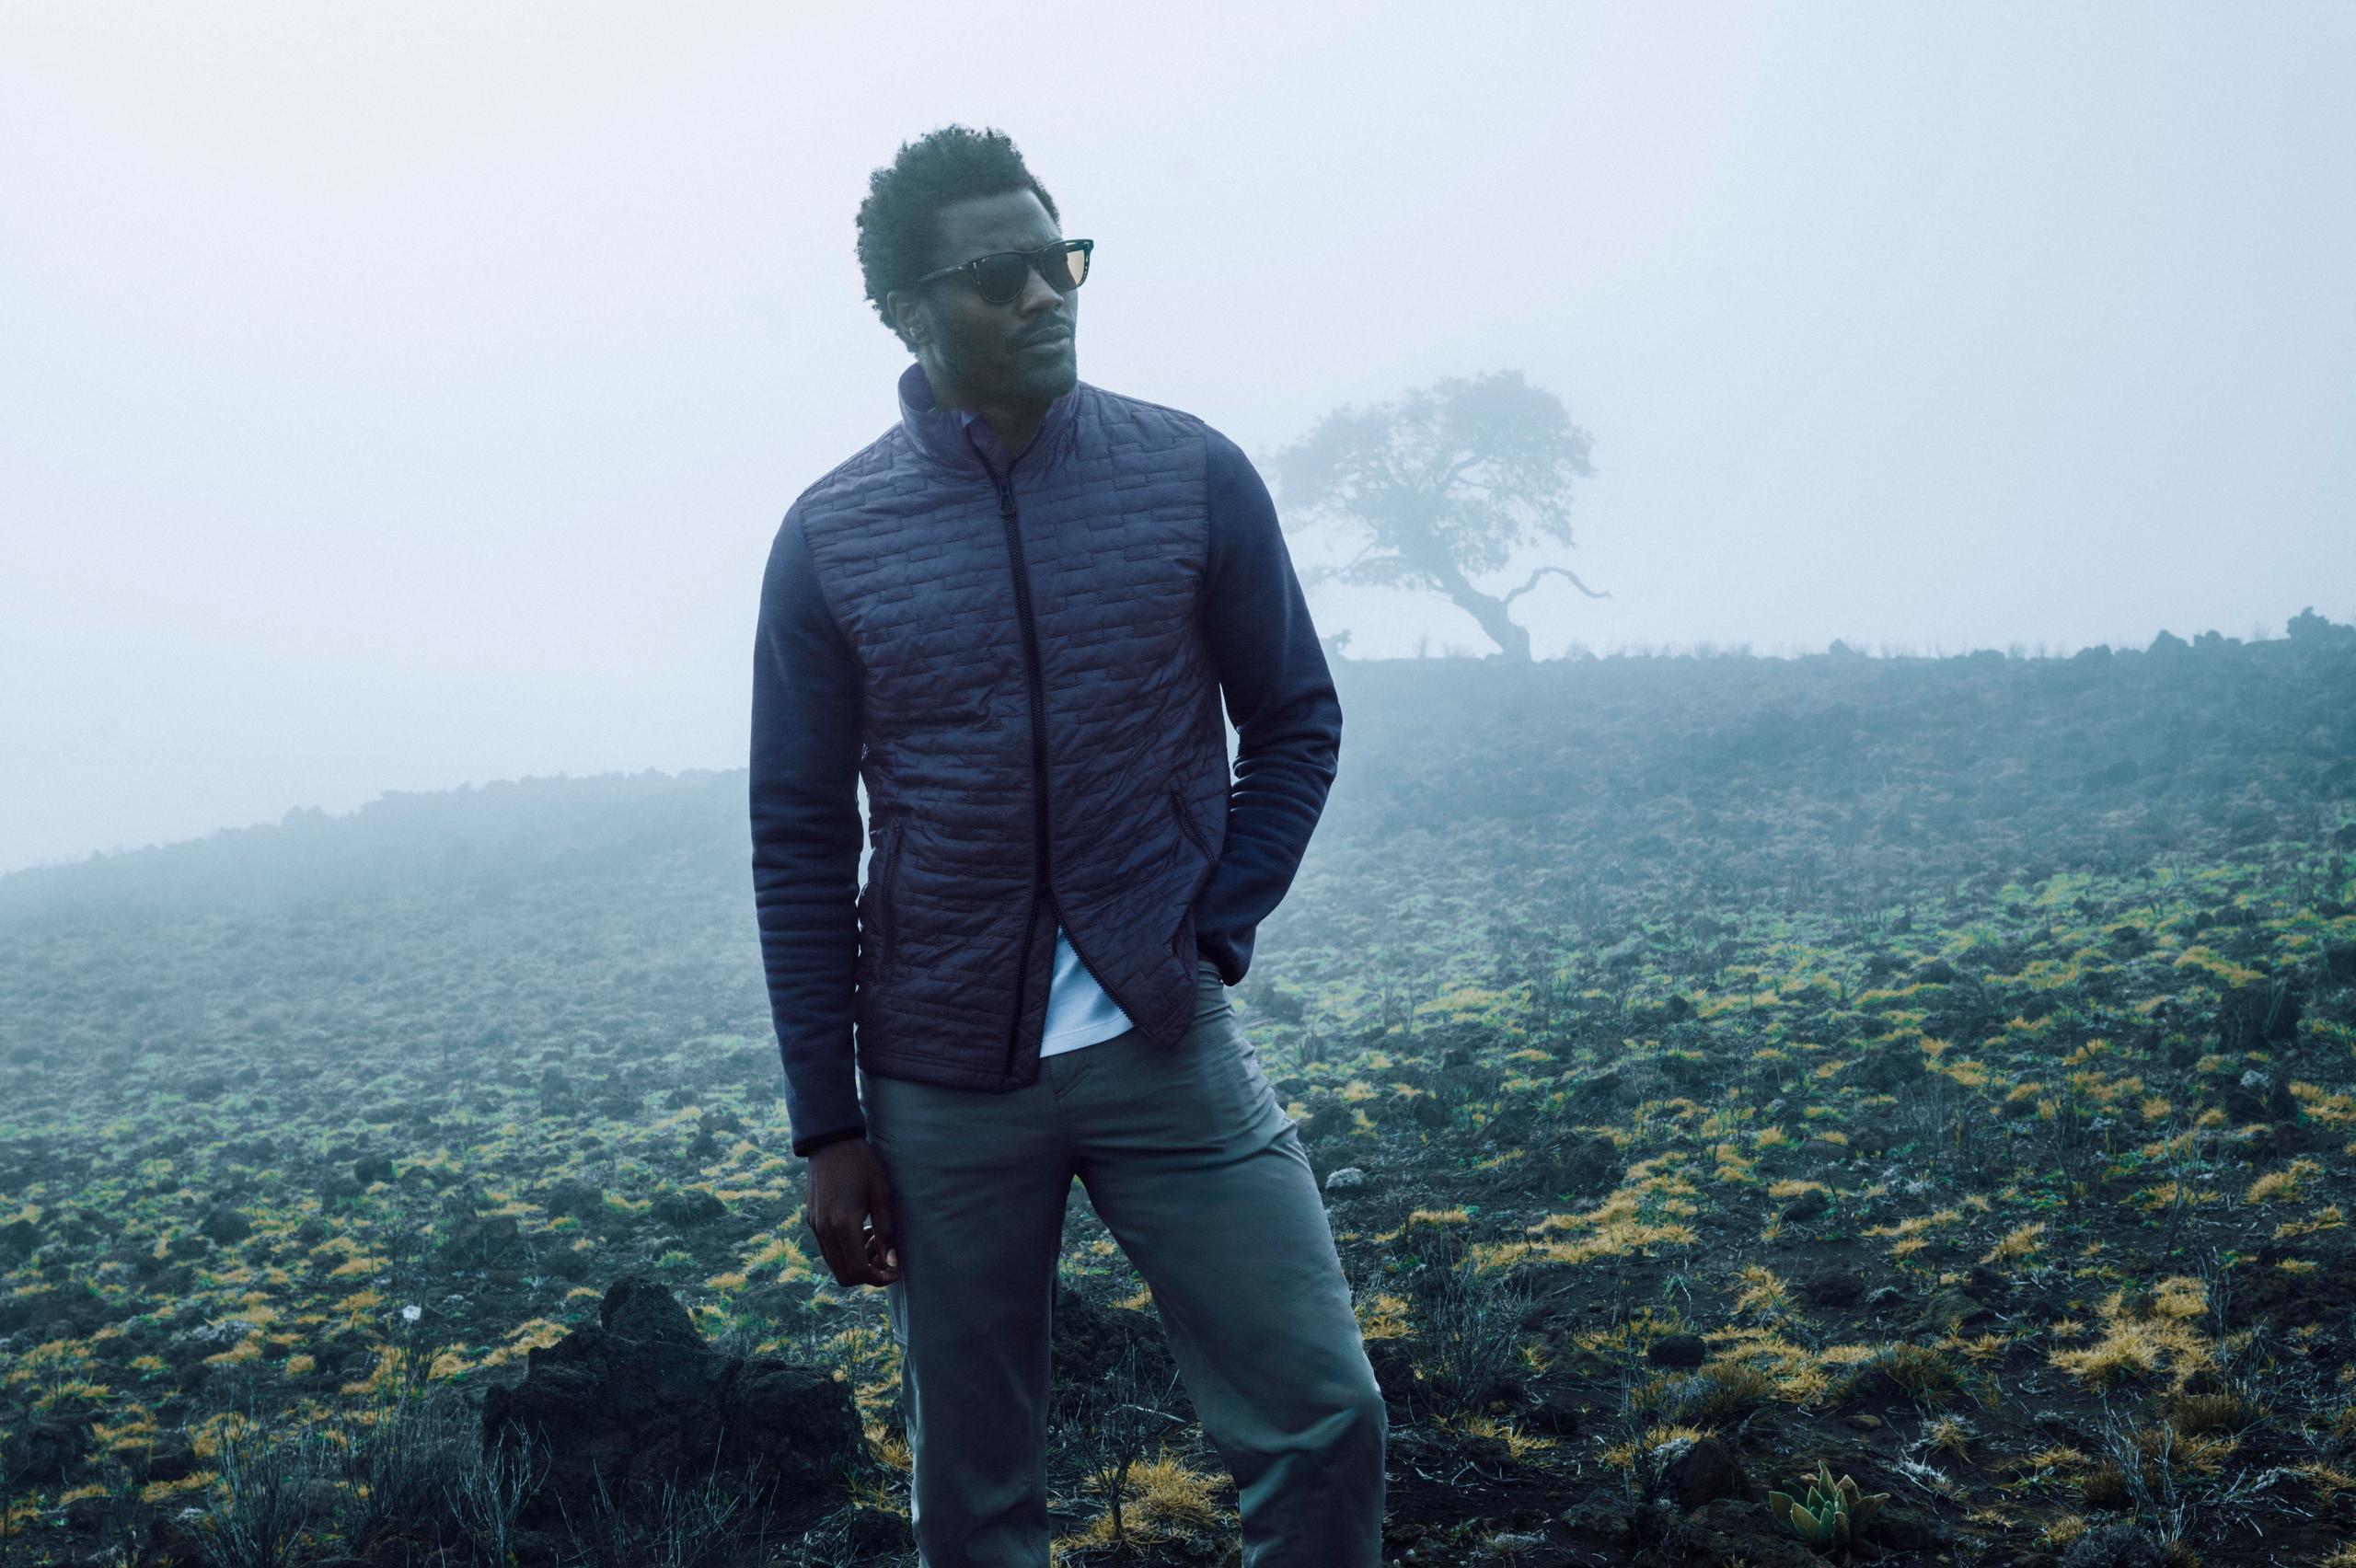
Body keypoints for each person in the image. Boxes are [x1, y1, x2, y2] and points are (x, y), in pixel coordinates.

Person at [748, 123, 1384, 1567]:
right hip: (938, 1081)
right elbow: (799, 837)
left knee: (1325, 1416)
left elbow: (1295, 721)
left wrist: (1211, 925)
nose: (1044, 295)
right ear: (906, 309)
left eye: (1058, 260)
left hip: (1165, 1041)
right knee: (973, 1501)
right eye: (999, 275)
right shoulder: (830, 537)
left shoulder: (1191, 473)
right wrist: (828, 1126)